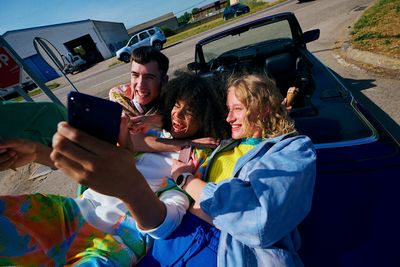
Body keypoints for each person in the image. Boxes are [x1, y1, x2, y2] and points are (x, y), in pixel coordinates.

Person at [47, 74, 315, 266]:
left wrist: (186, 180)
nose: (228, 117)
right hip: (169, 241)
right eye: (228, 109)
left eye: (237, 109)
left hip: (226, 250)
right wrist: (157, 118)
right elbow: (173, 124)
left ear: (263, 109)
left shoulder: (293, 149)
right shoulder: (225, 141)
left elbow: (258, 221)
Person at [0, 72, 229, 266]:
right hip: (75, 210)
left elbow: (167, 224)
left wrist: (133, 187)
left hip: (116, 238)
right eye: (176, 106)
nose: (177, 115)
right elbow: (113, 159)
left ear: (207, 117)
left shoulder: (200, 155)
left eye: (189, 112)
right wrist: (37, 153)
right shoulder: (151, 133)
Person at [109, 46, 169, 133]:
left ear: (164, 80)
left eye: (149, 77)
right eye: (135, 75)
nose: (140, 85)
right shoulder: (118, 97)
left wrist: (155, 120)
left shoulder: (175, 102)